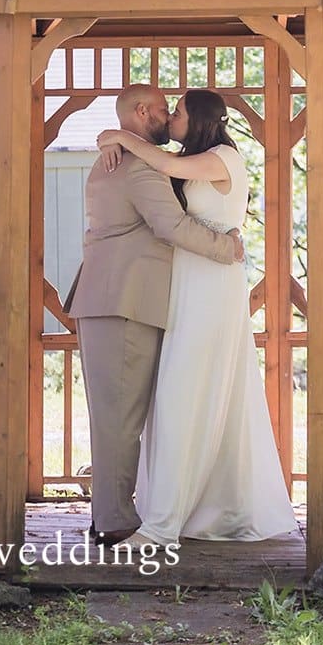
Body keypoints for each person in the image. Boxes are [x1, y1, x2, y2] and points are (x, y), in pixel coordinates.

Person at [96, 88, 297, 546]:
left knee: (184, 393)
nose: (171, 119)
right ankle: (190, 507)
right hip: (186, 283)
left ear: (200, 118)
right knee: (179, 394)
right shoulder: (195, 160)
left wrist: (119, 136)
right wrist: (112, 139)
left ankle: (163, 525)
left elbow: (163, 163)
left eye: (179, 111)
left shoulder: (223, 157)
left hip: (211, 285)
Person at [63, 83, 245, 545]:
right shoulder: (138, 167)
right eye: (165, 111)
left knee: (114, 413)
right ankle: (114, 521)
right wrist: (228, 248)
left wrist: (116, 138)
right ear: (143, 113)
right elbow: (172, 225)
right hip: (124, 302)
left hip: (113, 299)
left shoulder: (118, 158)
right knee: (120, 416)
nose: (169, 119)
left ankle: (111, 512)